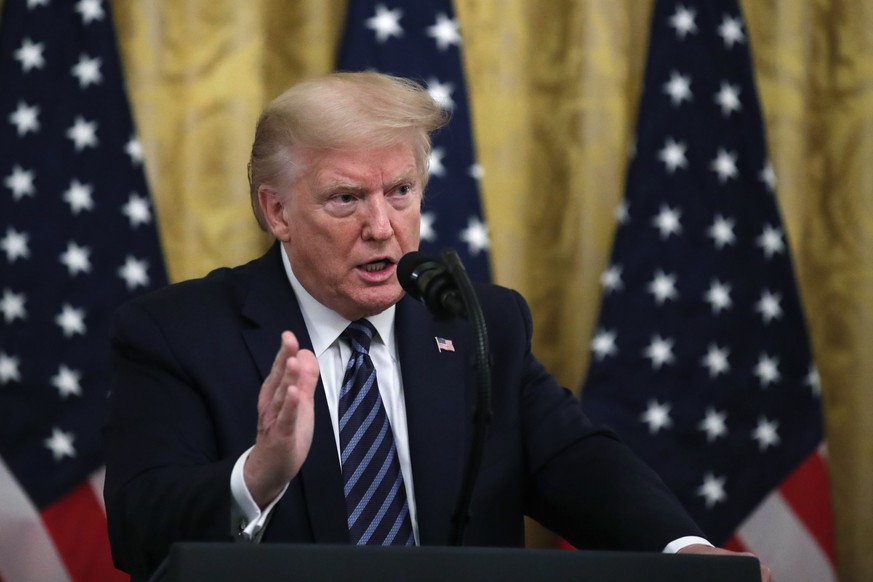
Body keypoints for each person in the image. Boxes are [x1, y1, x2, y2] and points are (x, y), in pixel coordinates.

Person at [103, 71, 771, 581]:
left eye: (399, 191)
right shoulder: (178, 333)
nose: (381, 225)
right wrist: (259, 475)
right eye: (345, 198)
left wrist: (688, 553)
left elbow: (577, 463)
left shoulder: (482, 323)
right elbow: (136, 530)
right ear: (276, 212)